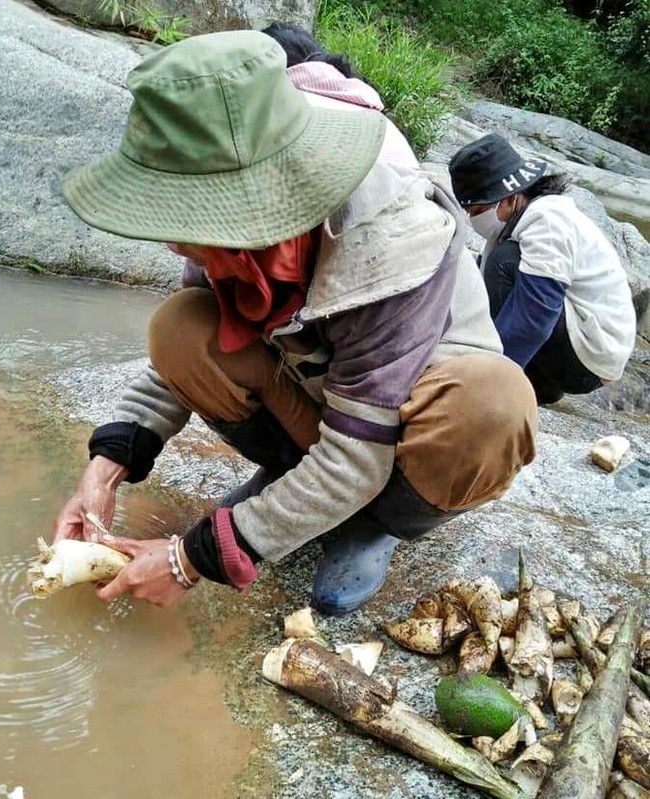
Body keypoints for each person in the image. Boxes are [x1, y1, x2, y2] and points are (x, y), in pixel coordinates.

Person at [53, 31, 537, 616]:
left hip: (399, 425)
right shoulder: (234, 221)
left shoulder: (391, 237)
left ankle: (374, 524)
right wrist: (106, 469)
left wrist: (191, 560)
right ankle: (293, 485)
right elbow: (171, 370)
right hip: (320, 403)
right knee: (180, 327)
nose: (173, 241)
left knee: (491, 405)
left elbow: (359, 454)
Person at [448, 133, 636, 404]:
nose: (473, 218)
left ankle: (501, 375)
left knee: (504, 261)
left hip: (590, 359)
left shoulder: (549, 221)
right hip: (577, 347)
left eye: (477, 209)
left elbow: (534, 317)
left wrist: (482, 380)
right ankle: (536, 383)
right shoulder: (518, 221)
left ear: (509, 198)